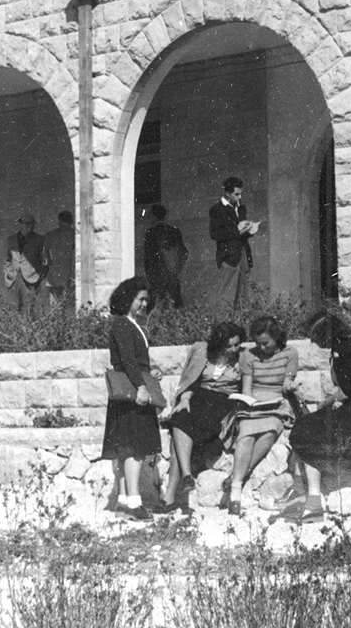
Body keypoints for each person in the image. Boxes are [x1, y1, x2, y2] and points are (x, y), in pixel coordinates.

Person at [285, 310, 351, 522]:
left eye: (315, 337)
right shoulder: (341, 347)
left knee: (307, 429)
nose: (314, 342)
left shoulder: (347, 348)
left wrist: (323, 404)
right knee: (306, 425)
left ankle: (312, 499)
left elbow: (349, 390)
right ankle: (301, 493)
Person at [152, 320, 245, 515]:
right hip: (200, 397)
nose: (234, 349)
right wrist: (184, 399)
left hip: (224, 402)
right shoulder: (203, 352)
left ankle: (171, 495)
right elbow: (191, 381)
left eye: (237, 344)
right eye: (229, 345)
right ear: (219, 344)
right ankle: (186, 476)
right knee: (180, 416)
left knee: (184, 431)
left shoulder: (243, 358)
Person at [100, 276, 161, 521]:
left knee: (127, 448)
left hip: (132, 389)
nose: (144, 304)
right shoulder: (123, 325)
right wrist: (141, 387)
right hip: (133, 393)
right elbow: (126, 361)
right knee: (135, 448)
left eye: (146, 299)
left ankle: (124, 501)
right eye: (140, 299)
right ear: (128, 299)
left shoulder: (130, 324)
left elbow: (135, 360)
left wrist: (150, 371)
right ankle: (135, 503)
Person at [225, 314, 298, 514]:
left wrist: (291, 385)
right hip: (254, 404)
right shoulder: (249, 355)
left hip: (276, 404)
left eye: (266, 343)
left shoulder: (290, 353)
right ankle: (235, 491)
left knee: (270, 431)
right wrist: (249, 403)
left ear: (277, 338)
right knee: (246, 433)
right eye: (258, 344)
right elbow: (247, 388)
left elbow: (286, 384)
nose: (262, 349)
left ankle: (236, 478)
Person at [209, 176, 257, 312]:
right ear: (227, 193)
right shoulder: (217, 209)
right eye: (237, 194)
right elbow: (215, 234)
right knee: (227, 298)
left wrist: (249, 229)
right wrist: (238, 229)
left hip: (243, 255)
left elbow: (241, 232)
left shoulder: (241, 208)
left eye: (241, 193)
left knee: (245, 297)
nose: (240, 197)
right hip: (229, 258)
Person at [142, 203, 188, 309]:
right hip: (172, 273)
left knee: (154, 306)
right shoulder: (175, 231)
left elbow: (148, 258)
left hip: (157, 275)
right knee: (176, 303)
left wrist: (150, 275)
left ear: (154, 216)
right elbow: (183, 252)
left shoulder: (151, 233)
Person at [3, 213, 47, 316]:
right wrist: (7, 273)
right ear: (20, 224)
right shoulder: (11, 239)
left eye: (32, 224)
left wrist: (40, 275)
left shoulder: (39, 239)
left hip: (31, 279)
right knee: (14, 309)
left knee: (30, 309)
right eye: (26, 224)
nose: (29, 226)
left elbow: (44, 260)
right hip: (13, 279)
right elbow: (8, 259)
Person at [42, 209, 76, 310]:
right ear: (71, 221)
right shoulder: (74, 234)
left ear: (59, 220)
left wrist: (49, 265)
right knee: (69, 307)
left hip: (54, 274)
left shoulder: (51, 235)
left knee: (54, 307)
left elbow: (44, 255)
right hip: (69, 274)